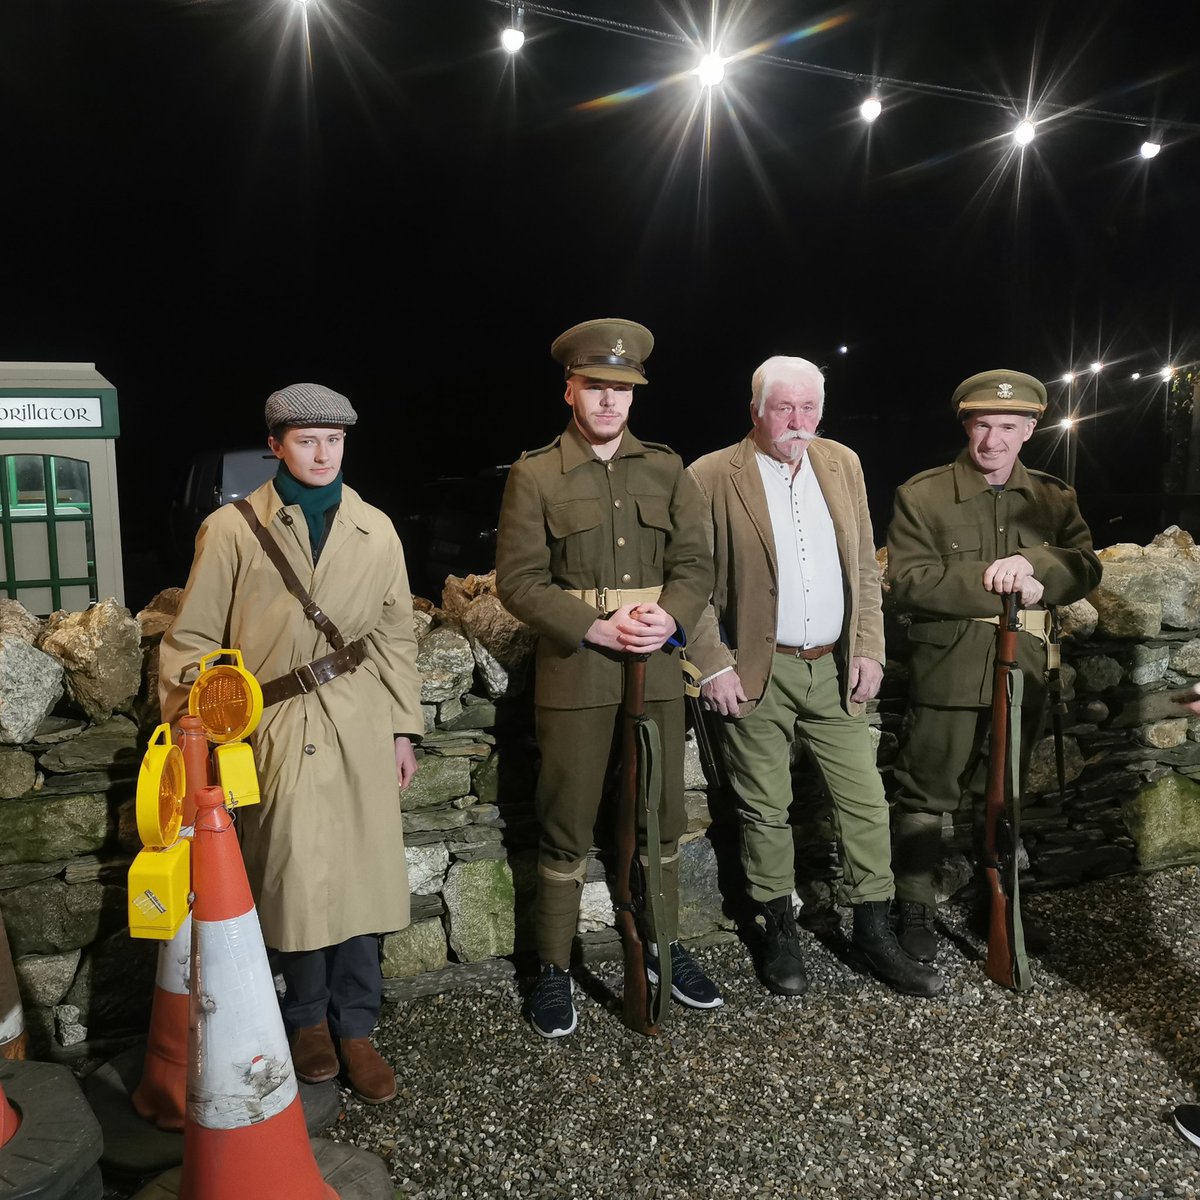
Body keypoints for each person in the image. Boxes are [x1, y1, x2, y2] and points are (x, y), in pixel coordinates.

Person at [159, 382, 423, 1104]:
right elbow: (190, 644)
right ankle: (308, 1021)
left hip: (361, 719)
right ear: (275, 445)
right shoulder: (232, 529)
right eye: (306, 440)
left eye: (334, 440)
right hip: (274, 723)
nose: (322, 453)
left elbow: (396, 637)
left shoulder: (377, 528)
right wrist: (199, 737)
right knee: (296, 878)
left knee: (364, 876)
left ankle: (358, 1025)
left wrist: (404, 727)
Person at [686, 356, 943, 999]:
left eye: (808, 408)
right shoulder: (712, 475)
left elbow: (862, 567)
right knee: (764, 810)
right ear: (756, 411)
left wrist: (869, 649)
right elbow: (688, 584)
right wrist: (712, 664)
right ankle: (778, 930)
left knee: (865, 801)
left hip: (832, 665)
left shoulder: (841, 463)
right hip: (755, 671)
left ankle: (873, 931)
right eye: (783, 408)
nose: (797, 421)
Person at [495, 317, 723, 1039]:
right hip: (577, 672)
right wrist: (590, 625)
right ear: (570, 391)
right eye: (596, 387)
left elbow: (695, 566)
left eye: (621, 389)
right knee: (564, 822)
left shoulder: (667, 468)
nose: (608, 401)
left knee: (660, 816)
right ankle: (554, 970)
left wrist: (672, 618)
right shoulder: (536, 474)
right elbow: (520, 582)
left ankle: (662, 946)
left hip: (655, 670)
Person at [887, 369, 1102, 961]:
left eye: (1008, 426)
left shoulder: (1055, 498)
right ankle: (914, 903)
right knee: (924, 792)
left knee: (1005, 793)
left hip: (1026, 671)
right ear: (966, 424)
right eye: (983, 425)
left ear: (1031, 429)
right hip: (950, 669)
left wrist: (1038, 568)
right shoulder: (923, 494)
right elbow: (908, 581)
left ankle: (999, 899)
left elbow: (1085, 565)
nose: (993, 440)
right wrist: (999, 582)